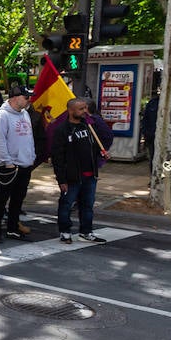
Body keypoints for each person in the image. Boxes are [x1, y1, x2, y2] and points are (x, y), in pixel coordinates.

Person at [49, 98, 108, 244]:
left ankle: (86, 231)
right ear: (70, 110)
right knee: (66, 205)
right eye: (81, 109)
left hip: (90, 176)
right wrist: (61, 180)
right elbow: (57, 158)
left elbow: (92, 147)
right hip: (72, 177)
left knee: (87, 206)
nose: (85, 112)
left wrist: (100, 153)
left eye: (85, 108)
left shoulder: (88, 127)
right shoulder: (62, 130)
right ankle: (65, 231)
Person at [0, 86, 36, 243]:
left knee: (18, 199)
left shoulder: (25, 114)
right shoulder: (2, 116)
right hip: (9, 166)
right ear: (15, 98)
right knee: (1, 199)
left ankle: (12, 228)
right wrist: (7, 161)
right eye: (26, 97)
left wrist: (32, 155)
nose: (29, 100)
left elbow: (29, 137)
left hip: (25, 163)